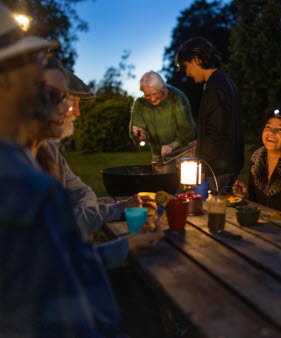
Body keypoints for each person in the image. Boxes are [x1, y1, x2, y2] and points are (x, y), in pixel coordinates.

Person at [0, 2, 122, 335]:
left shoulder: (40, 163)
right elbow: (66, 318)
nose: (32, 73)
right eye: (26, 62)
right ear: (7, 80)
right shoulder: (25, 189)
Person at [28, 55, 163, 269]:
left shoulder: (49, 152)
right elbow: (51, 257)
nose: (76, 112)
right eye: (69, 102)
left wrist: (116, 211)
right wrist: (119, 239)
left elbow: (82, 193)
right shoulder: (18, 168)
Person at [175, 37, 244, 191]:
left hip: (218, 169)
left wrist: (202, 163)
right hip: (226, 164)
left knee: (212, 210)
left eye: (186, 67)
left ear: (195, 60)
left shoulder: (216, 87)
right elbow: (222, 125)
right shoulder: (224, 81)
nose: (187, 73)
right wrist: (202, 141)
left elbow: (217, 132)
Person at [129, 70, 195, 158]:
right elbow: (139, 134)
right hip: (158, 154)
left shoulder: (177, 98)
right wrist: (141, 134)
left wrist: (172, 145)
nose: (152, 99)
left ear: (163, 88)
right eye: (147, 95)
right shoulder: (140, 104)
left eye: (154, 94)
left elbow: (187, 131)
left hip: (183, 152)